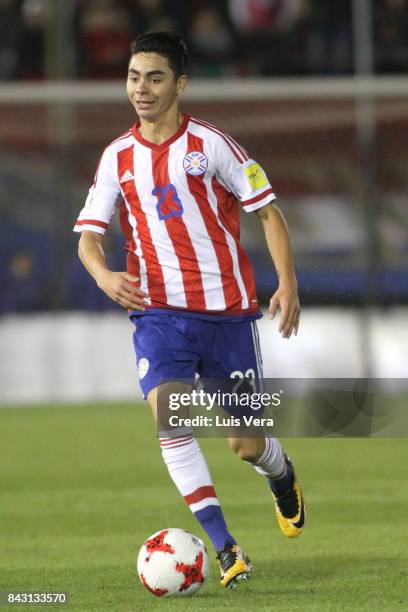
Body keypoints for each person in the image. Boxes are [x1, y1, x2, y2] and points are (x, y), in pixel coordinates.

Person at [74, 31, 304, 590]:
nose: (141, 88)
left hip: (227, 315)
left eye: (154, 77)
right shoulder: (117, 157)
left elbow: (268, 213)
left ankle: (281, 473)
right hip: (158, 316)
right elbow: (87, 238)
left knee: (245, 444)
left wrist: (287, 283)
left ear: (180, 83)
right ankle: (225, 547)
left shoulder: (214, 146)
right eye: (133, 77)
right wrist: (106, 276)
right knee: (170, 419)